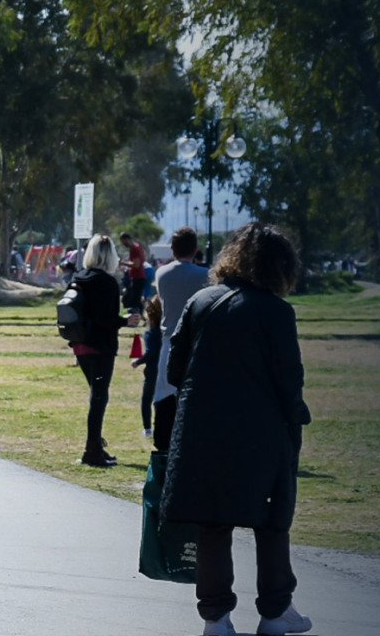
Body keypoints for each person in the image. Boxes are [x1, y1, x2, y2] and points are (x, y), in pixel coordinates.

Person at [162, 222, 312, 636]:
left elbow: (175, 370)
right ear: (281, 266)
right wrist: (295, 423)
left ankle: (216, 618)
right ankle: (275, 613)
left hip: (203, 432)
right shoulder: (277, 312)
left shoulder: (201, 302)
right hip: (262, 434)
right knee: (271, 522)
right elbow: (290, 381)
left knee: (212, 524)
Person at [71, 234, 141, 467]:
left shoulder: (79, 276)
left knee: (98, 394)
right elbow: (106, 319)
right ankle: (92, 450)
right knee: (99, 397)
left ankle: (96, 445)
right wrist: (125, 321)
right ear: (110, 255)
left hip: (80, 344)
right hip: (100, 346)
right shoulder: (108, 283)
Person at [152, 227, 209, 452]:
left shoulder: (162, 274)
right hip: (196, 343)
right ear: (195, 250)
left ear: (173, 249)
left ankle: (164, 446)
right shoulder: (206, 276)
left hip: (169, 341)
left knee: (166, 398)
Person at [130, 295, 162, 439]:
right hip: (165, 369)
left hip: (152, 371)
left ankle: (148, 429)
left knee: (146, 399)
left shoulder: (150, 332)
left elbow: (150, 352)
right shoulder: (167, 330)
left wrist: (138, 361)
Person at [118, 232, 146, 313]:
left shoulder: (134, 248)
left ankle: (135, 315)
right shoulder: (137, 247)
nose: (123, 244)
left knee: (134, 300)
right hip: (138, 277)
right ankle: (140, 314)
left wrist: (123, 263)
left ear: (126, 239)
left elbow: (136, 265)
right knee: (136, 298)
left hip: (138, 277)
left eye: (123, 241)